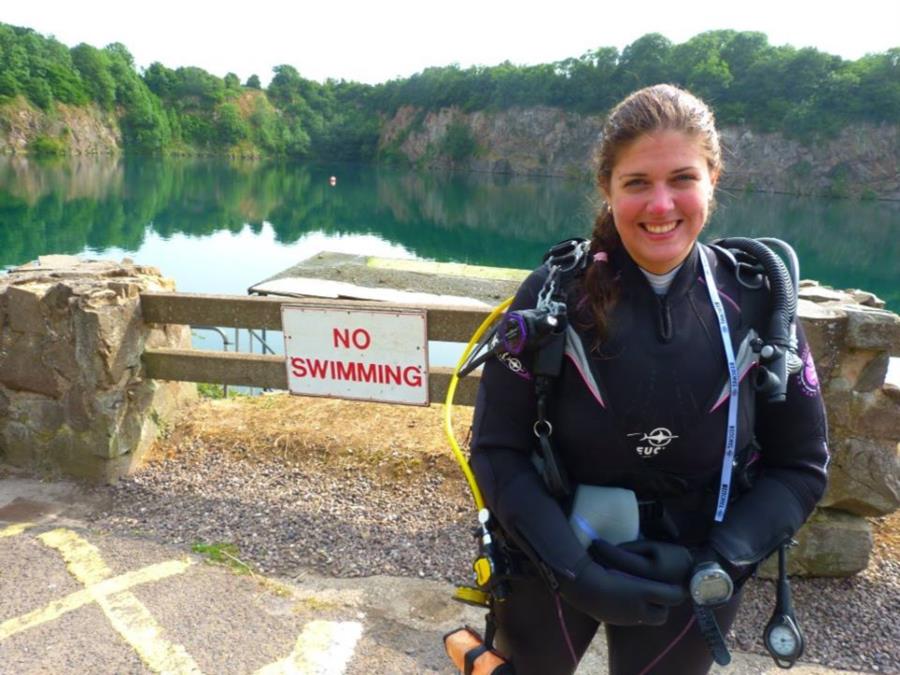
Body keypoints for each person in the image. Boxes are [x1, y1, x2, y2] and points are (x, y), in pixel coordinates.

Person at [468, 84, 829, 675]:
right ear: (608, 189)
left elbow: (802, 465)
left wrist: (722, 562)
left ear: (713, 178)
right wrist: (575, 574)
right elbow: (496, 449)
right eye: (637, 182)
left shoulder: (760, 300)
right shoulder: (554, 295)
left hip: (696, 565)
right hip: (553, 552)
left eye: (682, 178)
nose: (660, 205)